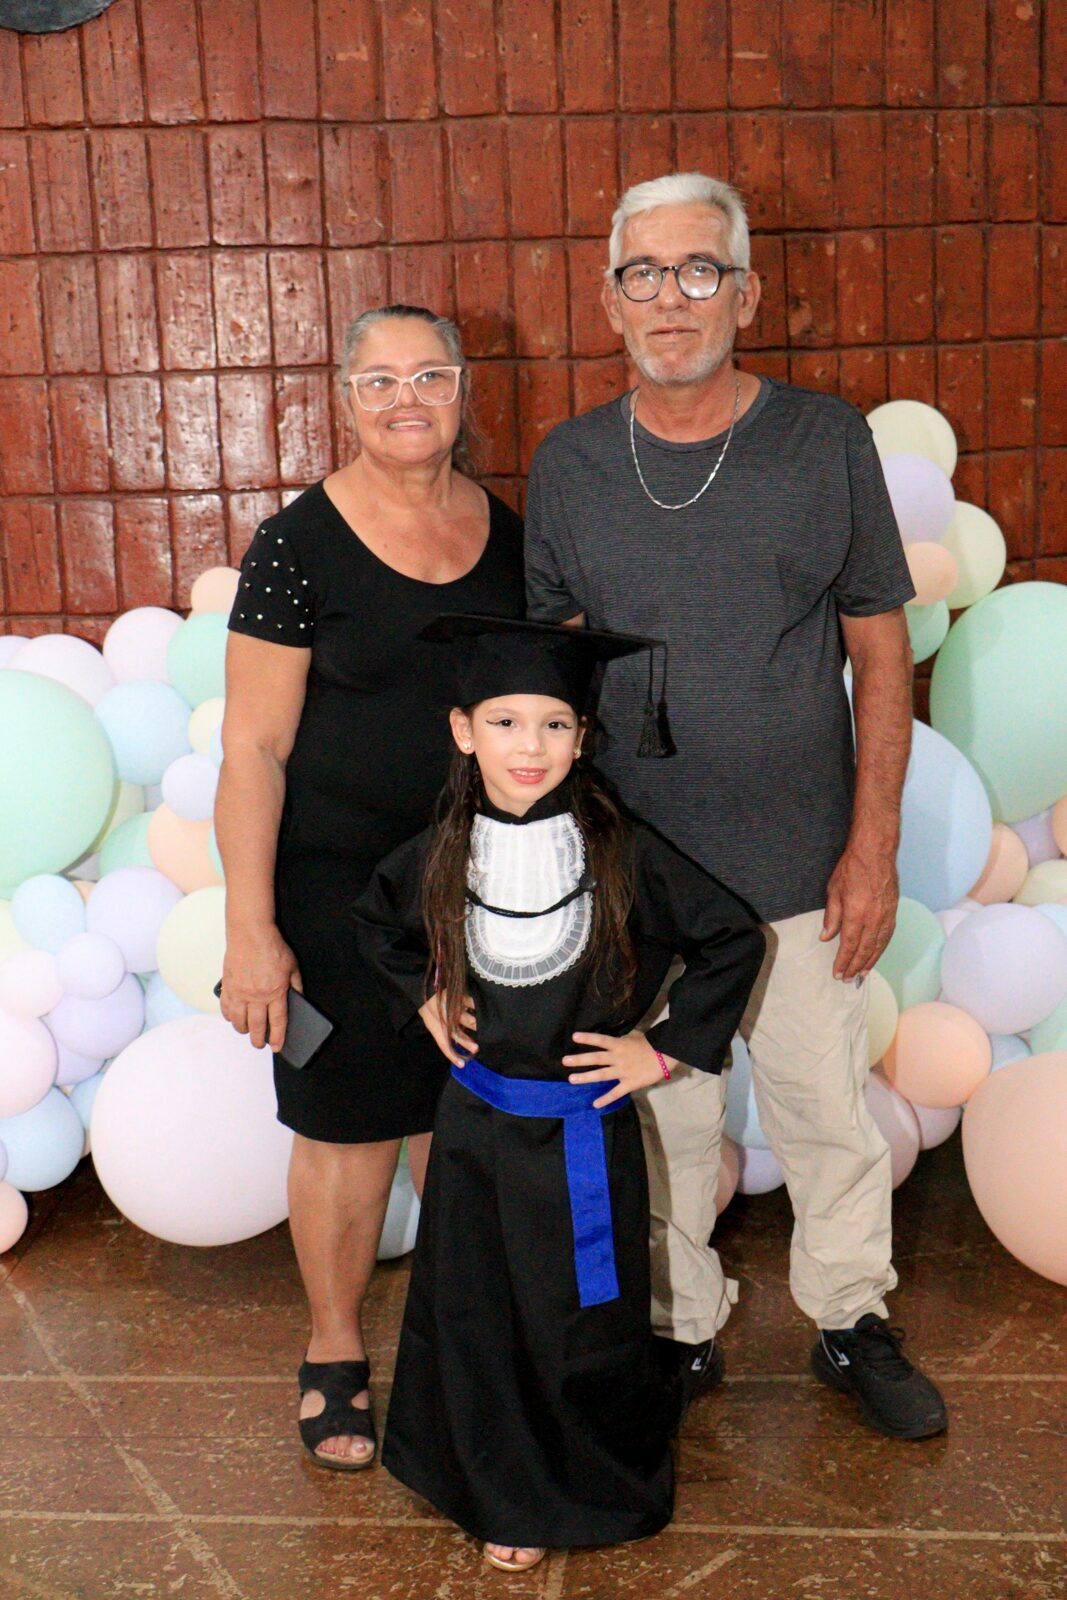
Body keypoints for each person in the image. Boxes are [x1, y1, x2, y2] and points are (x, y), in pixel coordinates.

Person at [524, 172, 949, 1441]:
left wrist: (870, 848)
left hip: (803, 865)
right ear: (610, 300)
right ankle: (679, 1327)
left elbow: (880, 651)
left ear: (746, 293)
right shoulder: (569, 465)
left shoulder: (823, 442)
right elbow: (550, 680)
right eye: (643, 273)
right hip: (640, 879)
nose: (671, 297)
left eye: (698, 269)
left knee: (824, 1113)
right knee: (662, 1121)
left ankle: (849, 1316)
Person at [354, 615, 765, 1571]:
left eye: (553, 724)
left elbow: (730, 939)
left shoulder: (620, 853)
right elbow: (377, 923)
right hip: (474, 1130)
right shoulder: (439, 852)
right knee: (476, 1310)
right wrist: (423, 994)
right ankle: (495, 1488)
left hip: (582, 1139)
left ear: (582, 736)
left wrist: (659, 1051)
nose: (528, 746)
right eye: (503, 722)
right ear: (463, 731)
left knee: (577, 1317)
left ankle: (577, 1483)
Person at [215, 305, 525, 1470]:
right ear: (345, 398)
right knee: (346, 1130)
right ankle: (334, 1351)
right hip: (333, 890)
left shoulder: (508, 535)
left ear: (462, 390)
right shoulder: (294, 545)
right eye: (380, 380)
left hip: (480, 887)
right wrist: (251, 928)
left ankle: (465, 1351)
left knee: (469, 1122)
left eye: (429, 376)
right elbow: (252, 748)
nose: (407, 400)